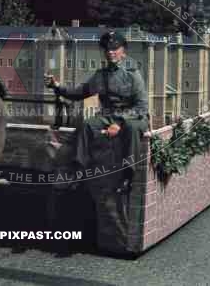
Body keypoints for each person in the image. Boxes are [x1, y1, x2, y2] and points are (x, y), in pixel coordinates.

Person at [45, 30, 149, 191]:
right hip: (108, 117)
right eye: (107, 49)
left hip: (134, 118)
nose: (110, 52)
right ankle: (78, 170)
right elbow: (80, 92)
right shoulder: (101, 75)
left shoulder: (133, 75)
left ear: (123, 51)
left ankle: (128, 177)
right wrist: (57, 86)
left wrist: (119, 124)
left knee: (131, 128)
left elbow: (141, 106)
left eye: (115, 48)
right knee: (87, 125)